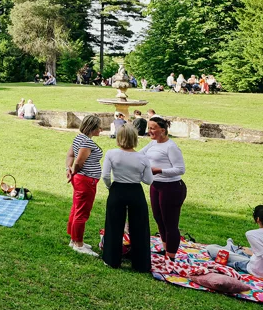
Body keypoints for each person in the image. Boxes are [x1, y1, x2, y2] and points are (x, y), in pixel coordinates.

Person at [205, 206, 263, 293]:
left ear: (258, 219)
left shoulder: (252, 234)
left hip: (262, 271)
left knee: (211, 249)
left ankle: (231, 247)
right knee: (248, 250)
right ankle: (232, 247)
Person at [101, 125, 153, 272]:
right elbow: (148, 180)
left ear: (119, 138)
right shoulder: (142, 157)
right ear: (135, 139)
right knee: (140, 227)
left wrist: (110, 186)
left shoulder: (111, 154)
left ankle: (111, 259)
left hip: (117, 189)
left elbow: (105, 175)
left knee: (113, 225)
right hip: (135, 190)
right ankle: (141, 263)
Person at [141, 116, 186, 259]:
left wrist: (159, 170)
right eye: (149, 128)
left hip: (171, 187)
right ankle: (166, 249)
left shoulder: (171, 147)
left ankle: (171, 256)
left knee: (170, 222)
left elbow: (180, 169)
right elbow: (139, 155)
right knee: (158, 218)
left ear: (162, 130)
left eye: (152, 128)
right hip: (156, 185)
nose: (150, 131)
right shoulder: (153, 144)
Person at [65, 115, 103, 256]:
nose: (101, 129)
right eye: (98, 127)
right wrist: (73, 171)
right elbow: (79, 162)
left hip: (82, 180)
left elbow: (70, 155)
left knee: (76, 209)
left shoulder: (79, 138)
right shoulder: (86, 142)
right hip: (86, 181)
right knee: (82, 212)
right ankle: (79, 245)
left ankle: (74, 239)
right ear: (92, 128)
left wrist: (68, 169)